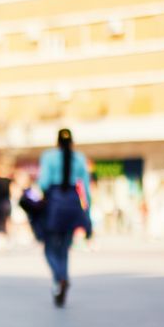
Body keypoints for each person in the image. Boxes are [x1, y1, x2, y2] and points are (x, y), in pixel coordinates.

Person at [38, 128, 91, 307]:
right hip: (73, 204)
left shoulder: (49, 157)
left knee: (49, 249)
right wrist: (86, 211)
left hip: (55, 204)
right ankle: (62, 279)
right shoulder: (79, 158)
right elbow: (86, 189)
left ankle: (60, 278)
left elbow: (43, 182)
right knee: (64, 249)